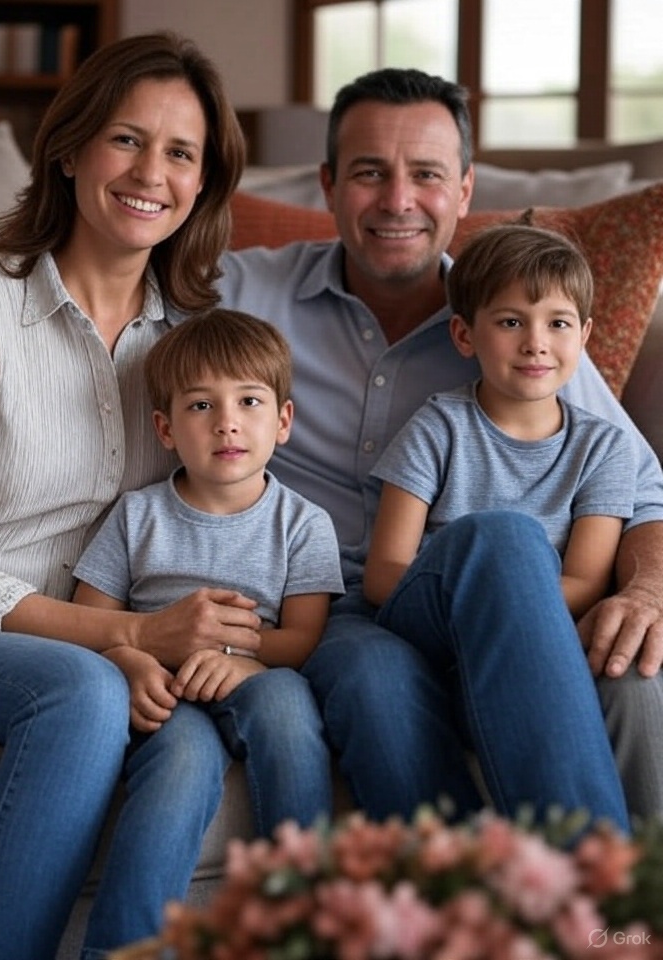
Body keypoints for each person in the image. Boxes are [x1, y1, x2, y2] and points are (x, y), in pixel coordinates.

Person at [0, 32, 329, 960]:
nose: (150, 171)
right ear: (70, 150)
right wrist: (126, 638)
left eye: (181, 152)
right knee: (79, 691)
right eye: (125, 139)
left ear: (202, 183)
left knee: (179, 731)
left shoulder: (198, 342)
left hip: (140, 639)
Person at [212, 66, 663, 825]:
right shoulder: (240, 292)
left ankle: (607, 917)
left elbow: (644, 493)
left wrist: (646, 591)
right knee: (371, 679)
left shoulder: (516, 325)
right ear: (326, 184)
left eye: (425, 174)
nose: (397, 201)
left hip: (488, 602)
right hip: (329, 611)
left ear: (462, 190)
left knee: (620, 662)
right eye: (368, 173)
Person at [72, 307, 342, 825]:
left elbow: (304, 637)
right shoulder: (136, 515)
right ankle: (139, 910)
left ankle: (304, 894)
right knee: (181, 761)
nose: (227, 423)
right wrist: (127, 664)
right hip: (161, 686)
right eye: (200, 405)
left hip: (255, 675)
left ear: (283, 421)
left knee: (287, 710)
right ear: (166, 428)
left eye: (249, 401)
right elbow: (92, 621)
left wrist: (238, 657)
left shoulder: (304, 523)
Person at [364, 222, 633, 632]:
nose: (536, 343)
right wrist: (478, 607)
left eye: (558, 323)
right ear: (464, 334)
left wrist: (503, 607)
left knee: (514, 538)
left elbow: (585, 583)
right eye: (511, 322)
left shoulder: (605, 449)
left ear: (584, 336)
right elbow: (384, 573)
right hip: (434, 621)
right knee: (504, 534)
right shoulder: (437, 428)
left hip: (535, 625)